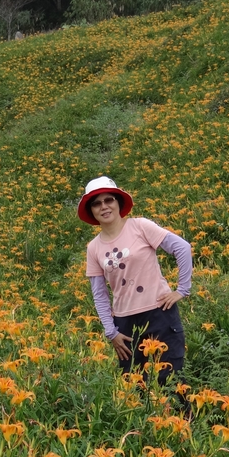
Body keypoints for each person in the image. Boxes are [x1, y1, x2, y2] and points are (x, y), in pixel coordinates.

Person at [78, 176, 193, 411]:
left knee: (169, 379)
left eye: (108, 200)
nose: (104, 206)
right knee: (134, 384)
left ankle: (183, 432)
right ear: (92, 211)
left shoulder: (140, 226)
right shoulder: (93, 248)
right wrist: (111, 332)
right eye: (96, 203)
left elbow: (182, 247)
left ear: (119, 203)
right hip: (125, 325)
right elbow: (99, 294)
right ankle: (148, 433)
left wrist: (182, 290)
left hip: (160, 313)